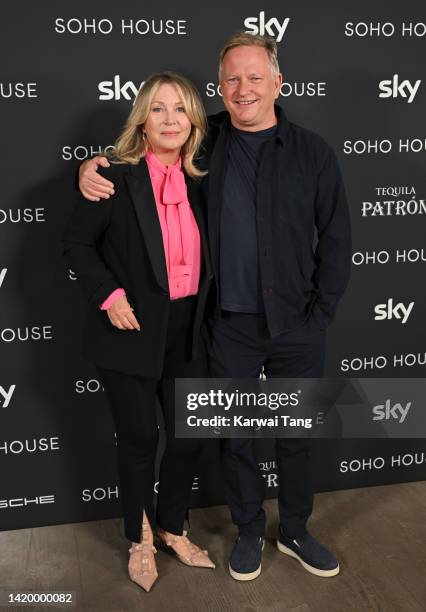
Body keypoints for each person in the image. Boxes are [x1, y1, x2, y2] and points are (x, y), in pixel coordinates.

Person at [77, 33, 352, 582]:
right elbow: (144, 155)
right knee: (237, 437)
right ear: (219, 88)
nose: (243, 89)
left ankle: (295, 529)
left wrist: (318, 315)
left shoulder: (313, 153)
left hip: (297, 326)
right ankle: (249, 528)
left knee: (295, 434)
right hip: (226, 327)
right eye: (232, 79)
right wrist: (91, 164)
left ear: (278, 81)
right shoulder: (206, 143)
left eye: (255, 77)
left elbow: (338, 239)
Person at [62, 71, 215, 593]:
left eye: (180, 109)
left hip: (190, 327)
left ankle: (173, 526)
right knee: (138, 439)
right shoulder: (114, 175)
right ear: (142, 120)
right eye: (158, 109)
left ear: (194, 120)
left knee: (190, 435)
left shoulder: (205, 178)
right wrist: (109, 295)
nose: (170, 119)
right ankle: (140, 537)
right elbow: (77, 246)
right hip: (128, 330)